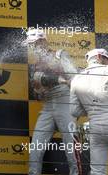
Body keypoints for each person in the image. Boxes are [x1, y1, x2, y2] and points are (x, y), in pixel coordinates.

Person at [22, 29, 81, 175]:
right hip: (48, 106)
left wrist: (63, 80)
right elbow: (38, 94)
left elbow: (74, 77)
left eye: (34, 44)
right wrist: (39, 88)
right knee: (36, 147)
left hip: (65, 102)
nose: (32, 47)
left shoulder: (59, 54)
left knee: (71, 147)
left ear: (43, 41)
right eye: (30, 45)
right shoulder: (35, 65)